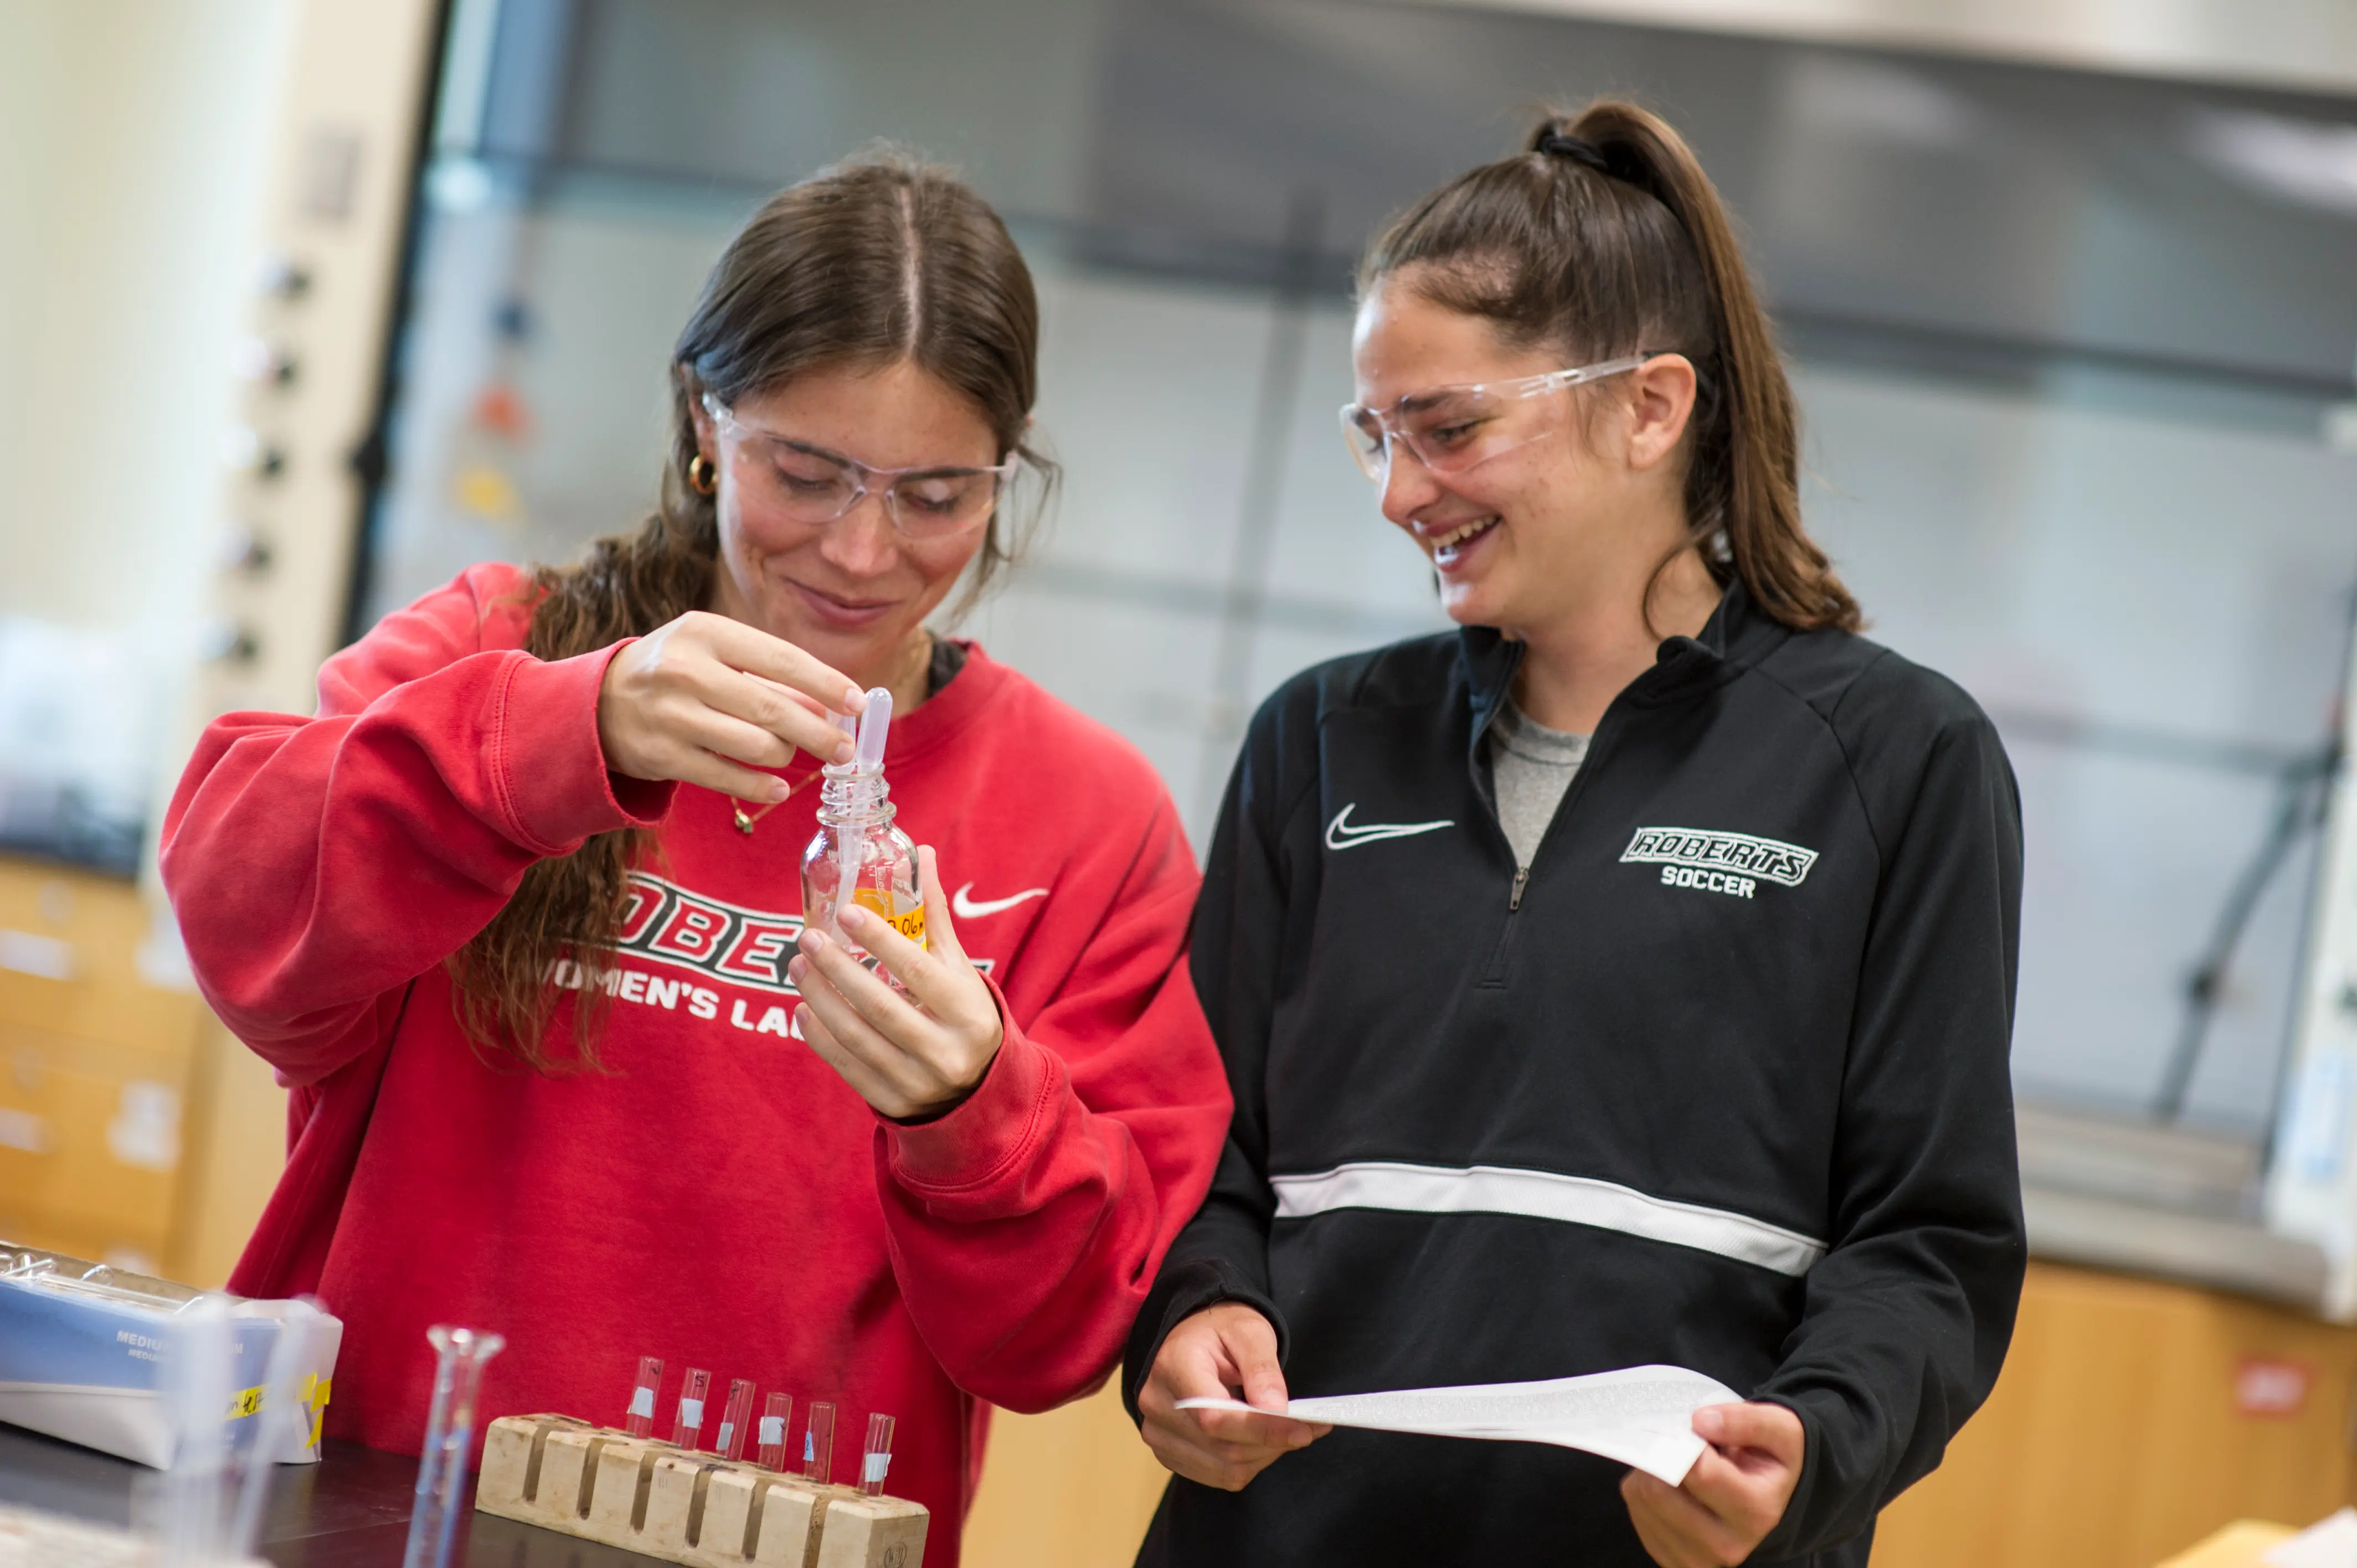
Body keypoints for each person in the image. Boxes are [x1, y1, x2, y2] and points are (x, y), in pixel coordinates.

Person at [161, 153, 1231, 1568]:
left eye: (934, 496)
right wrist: (561, 733)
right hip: (375, 1512)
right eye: (807, 471)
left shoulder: (1084, 819)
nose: (862, 550)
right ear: (705, 423)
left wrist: (971, 1102)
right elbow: (233, 909)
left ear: (1003, 476)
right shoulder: (506, 651)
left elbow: (1056, 1339)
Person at [1125, 101, 2025, 1568]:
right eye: (1376, 436)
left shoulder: (1899, 761)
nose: (1401, 493)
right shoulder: (1319, 737)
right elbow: (1190, 1147)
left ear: (1651, 407)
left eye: (1451, 429)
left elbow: (1931, 1245)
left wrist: (1815, 1450)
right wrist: (1191, 1312)